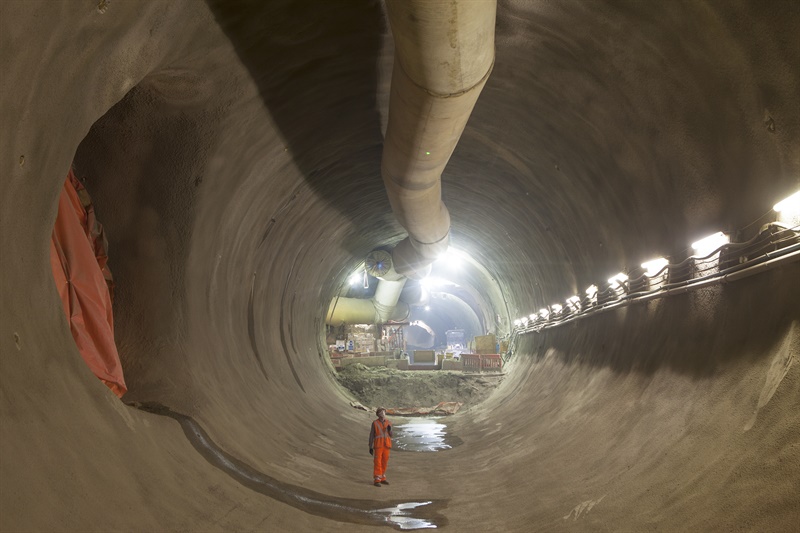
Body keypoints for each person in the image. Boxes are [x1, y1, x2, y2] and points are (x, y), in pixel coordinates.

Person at [368, 407, 392, 486]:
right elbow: (371, 435)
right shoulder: (375, 423)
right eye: (381, 412)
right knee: (377, 462)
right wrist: (370, 446)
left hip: (386, 445)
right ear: (378, 414)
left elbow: (391, 435)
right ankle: (377, 479)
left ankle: (382, 478)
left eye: (383, 412)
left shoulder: (388, 422)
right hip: (378, 446)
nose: (383, 413)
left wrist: (389, 430)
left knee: (384, 462)